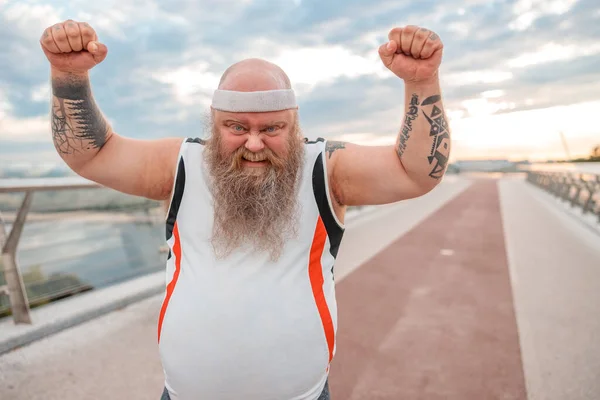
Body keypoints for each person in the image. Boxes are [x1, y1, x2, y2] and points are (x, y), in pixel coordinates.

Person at [40, 19, 451, 400]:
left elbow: (413, 173)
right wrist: (69, 78)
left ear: (294, 126)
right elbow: (91, 156)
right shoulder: (181, 164)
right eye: (237, 127)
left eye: (272, 128)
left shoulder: (326, 169)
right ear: (214, 123)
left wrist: (421, 82)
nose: (254, 143)